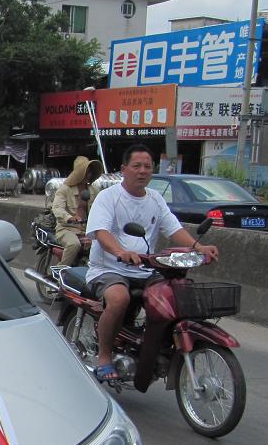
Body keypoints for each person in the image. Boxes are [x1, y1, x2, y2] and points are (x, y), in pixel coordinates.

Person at [84, 143, 219, 383]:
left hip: (146, 269)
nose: (142, 171)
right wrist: (121, 251)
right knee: (119, 299)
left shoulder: (155, 199)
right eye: (136, 166)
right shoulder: (108, 197)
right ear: (124, 169)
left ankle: (152, 344)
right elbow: (101, 232)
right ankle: (104, 357)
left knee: (174, 297)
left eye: (147, 166)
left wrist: (199, 248)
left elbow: (173, 229)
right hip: (108, 269)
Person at [50, 156, 103, 268]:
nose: (88, 175)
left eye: (90, 172)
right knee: (74, 244)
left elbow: (101, 209)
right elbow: (57, 208)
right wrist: (69, 217)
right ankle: (60, 270)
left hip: (87, 229)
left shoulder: (94, 190)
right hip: (66, 229)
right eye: (86, 172)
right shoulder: (64, 189)